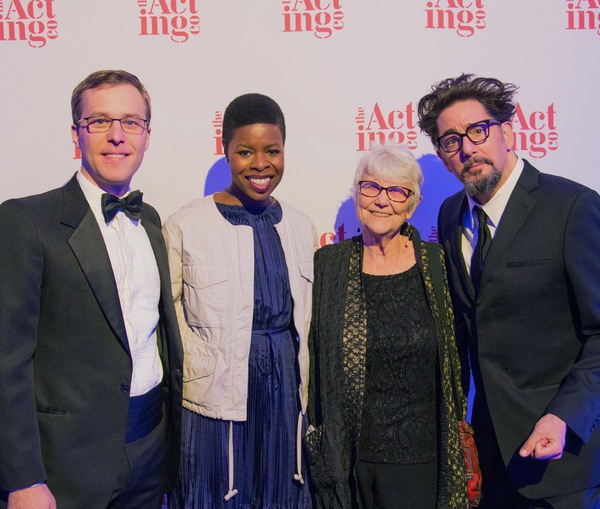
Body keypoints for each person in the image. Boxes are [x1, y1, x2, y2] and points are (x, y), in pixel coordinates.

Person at [0, 69, 183, 509]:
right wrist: (22, 478)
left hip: (150, 451)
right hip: (66, 465)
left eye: (131, 122)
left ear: (147, 135)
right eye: (99, 121)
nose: (117, 135)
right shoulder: (26, 221)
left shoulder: (152, 221)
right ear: (75, 134)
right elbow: (7, 362)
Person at [417, 73, 600, 508]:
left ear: (509, 132)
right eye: (450, 141)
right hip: (490, 461)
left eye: (477, 130)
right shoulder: (448, 216)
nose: (466, 148)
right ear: (443, 157)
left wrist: (564, 417)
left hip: (564, 462)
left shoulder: (572, 208)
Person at [163, 93, 316, 508]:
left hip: (285, 388)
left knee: (281, 491)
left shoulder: (302, 225)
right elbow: (171, 321)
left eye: (273, 151)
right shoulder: (185, 224)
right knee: (215, 493)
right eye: (245, 151)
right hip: (214, 395)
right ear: (226, 151)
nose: (260, 164)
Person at [306, 143, 469, 509]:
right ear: (356, 193)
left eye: (396, 191)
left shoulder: (438, 265)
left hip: (420, 459)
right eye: (371, 187)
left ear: (411, 205)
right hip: (347, 458)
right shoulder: (328, 266)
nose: (382, 200)